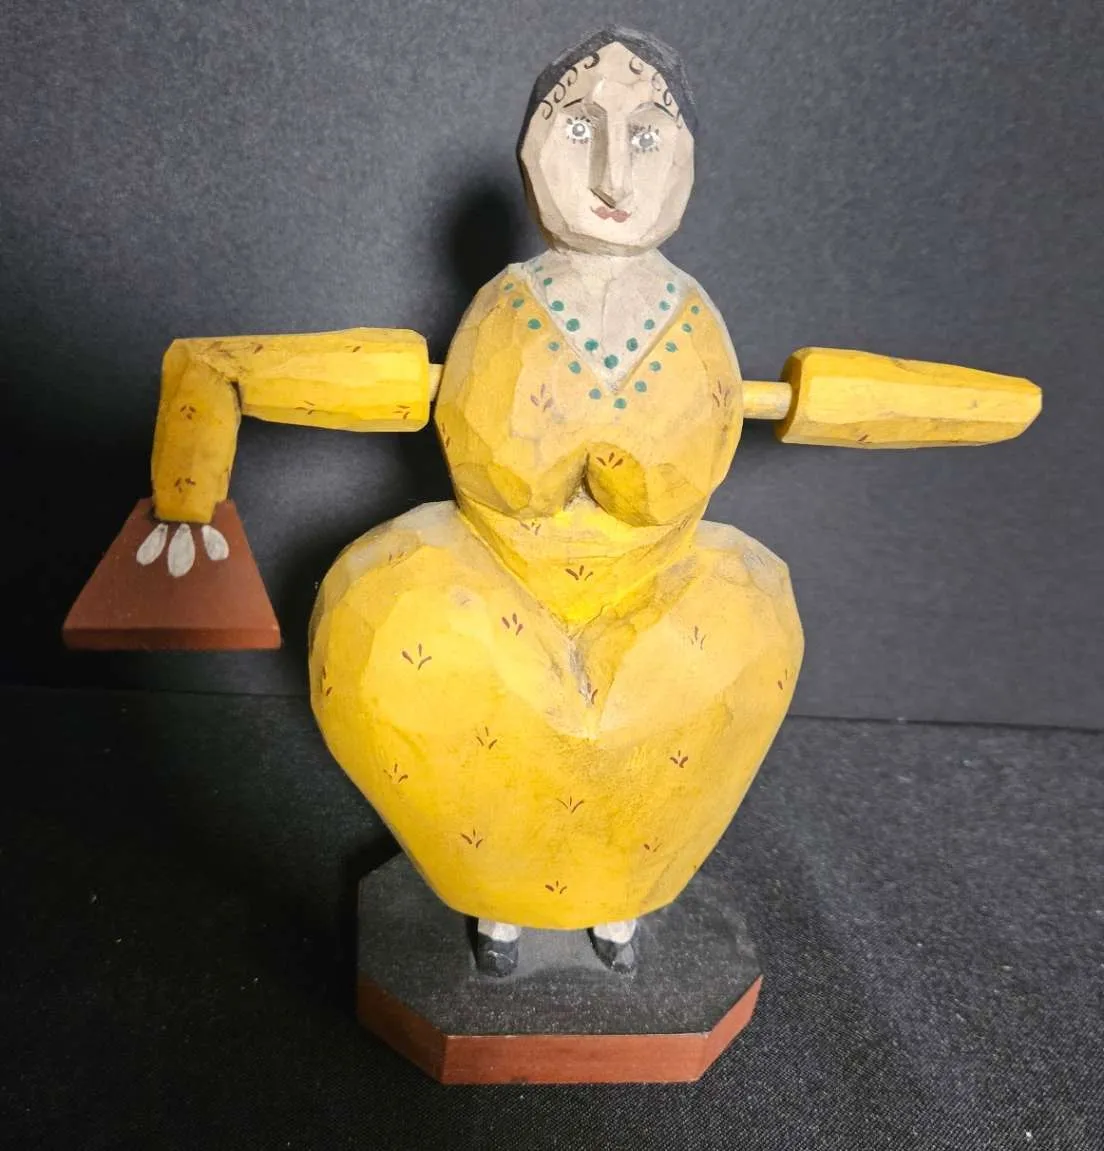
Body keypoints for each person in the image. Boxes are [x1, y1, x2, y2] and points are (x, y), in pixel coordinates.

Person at [309, 27, 803, 976]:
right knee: (384, 611)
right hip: (497, 572)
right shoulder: (506, 303)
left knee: (740, 624)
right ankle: (492, 898)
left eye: (647, 135)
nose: (614, 173)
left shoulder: (690, 317)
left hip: (653, 583)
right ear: (530, 148)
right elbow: (486, 456)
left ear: (688, 158)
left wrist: (635, 462)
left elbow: (690, 466)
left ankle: (620, 894)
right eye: (579, 129)